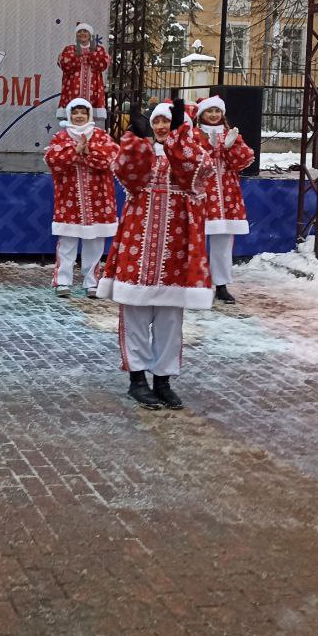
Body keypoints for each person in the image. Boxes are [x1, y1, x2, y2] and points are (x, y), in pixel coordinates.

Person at [98, 99, 213, 411]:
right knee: (135, 312)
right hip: (139, 244)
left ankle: (163, 379)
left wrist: (180, 135)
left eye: (168, 122)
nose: (161, 127)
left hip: (177, 248)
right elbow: (127, 172)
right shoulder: (145, 153)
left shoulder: (196, 151)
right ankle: (137, 379)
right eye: (157, 121)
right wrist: (134, 140)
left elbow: (193, 173)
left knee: (170, 318)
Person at [44, 97, 119, 298]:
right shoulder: (61, 138)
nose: (79, 116)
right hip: (69, 198)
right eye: (75, 113)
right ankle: (62, 281)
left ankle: (92, 282)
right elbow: (52, 160)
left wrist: (88, 151)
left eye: (83, 113)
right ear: (69, 115)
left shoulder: (101, 136)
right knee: (67, 241)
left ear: (89, 115)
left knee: (95, 242)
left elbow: (110, 159)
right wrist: (74, 152)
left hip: (98, 199)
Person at [193, 95, 256, 303]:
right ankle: (196, 282)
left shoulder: (230, 134)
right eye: (209, 111)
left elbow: (243, 160)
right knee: (197, 239)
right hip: (202, 193)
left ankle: (221, 285)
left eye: (217, 111)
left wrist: (231, 149)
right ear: (201, 113)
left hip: (227, 193)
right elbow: (193, 160)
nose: (213, 115)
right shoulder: (194, 134)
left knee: (223, 242)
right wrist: (215, 148)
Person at [57, 23, 111, 123]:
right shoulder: (69, 49)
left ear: (90, 35)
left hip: (93, 90)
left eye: (85, 31)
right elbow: (64, 65)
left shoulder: (99, 50)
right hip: (72, 89)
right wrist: (76, 56)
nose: (82, 33)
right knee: (73, 116)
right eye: (79, 31)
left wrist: (92, 54)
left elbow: (103, 64)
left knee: (90, 121)